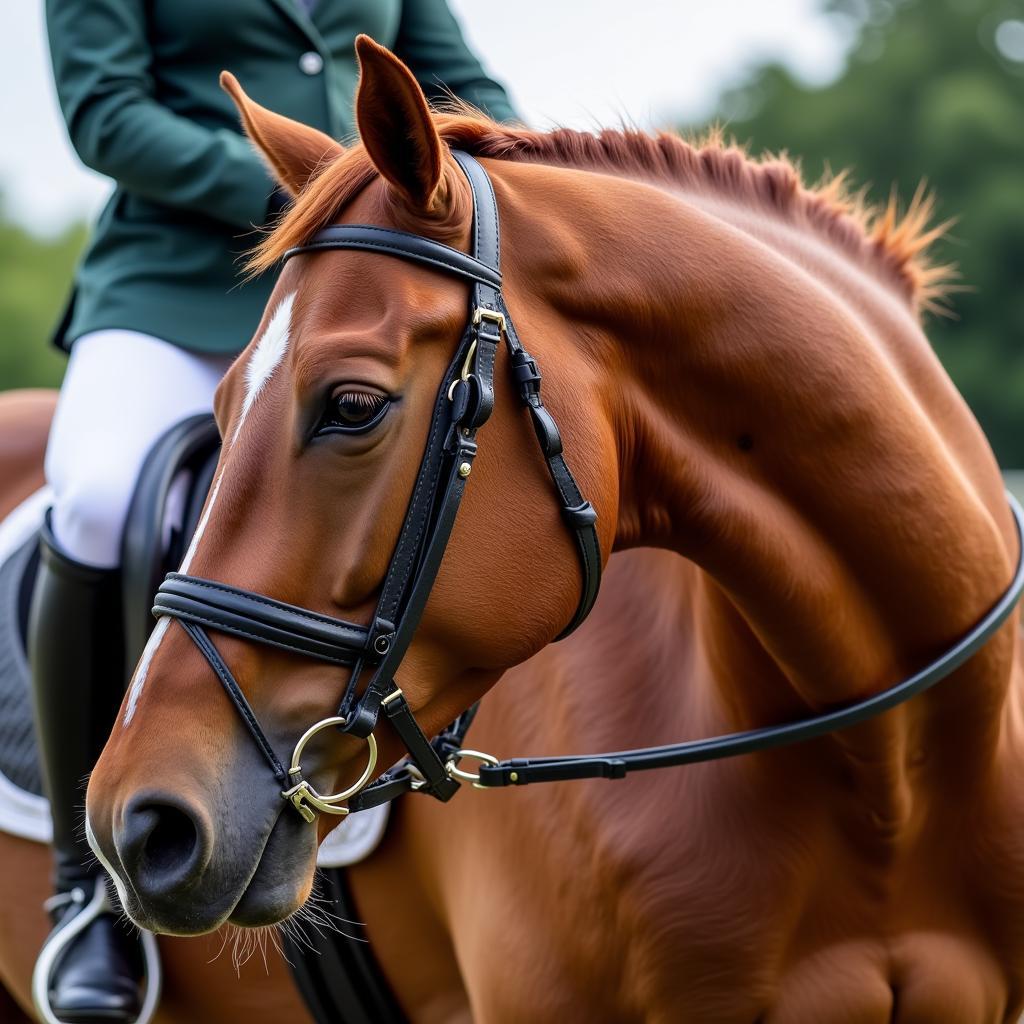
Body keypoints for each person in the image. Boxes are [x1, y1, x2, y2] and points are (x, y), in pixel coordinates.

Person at [36, 1, 516, 1019]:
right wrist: (330, 196)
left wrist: (518, 181)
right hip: (177, 289)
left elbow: (453, 81)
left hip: (382, 286)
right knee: (93, 497)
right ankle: (86, 891)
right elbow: (106, 114)